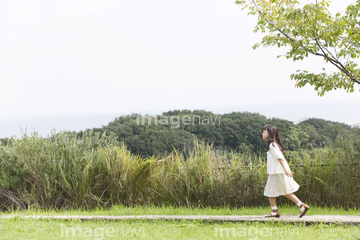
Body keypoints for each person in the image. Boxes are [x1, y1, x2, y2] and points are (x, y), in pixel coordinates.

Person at [262, 124, 309, 218]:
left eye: (264, 131)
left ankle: (275, 211)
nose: (262, 133)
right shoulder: (274, 144)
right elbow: (274, 160)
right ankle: (301, 206)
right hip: (275, 173)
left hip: (277, 174)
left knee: (270, 192)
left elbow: (280, 158)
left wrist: (287, 170)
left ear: (270, 133)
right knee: (285, 192)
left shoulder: (272, 145)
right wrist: (269, 170)